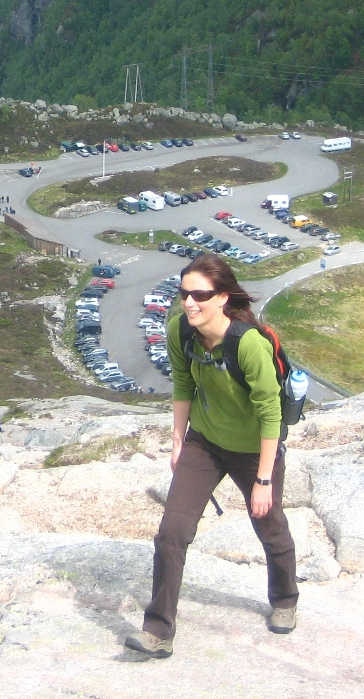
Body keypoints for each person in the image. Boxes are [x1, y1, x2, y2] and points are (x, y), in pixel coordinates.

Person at [126, 253, 297, 659]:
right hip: (205, 442)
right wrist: (178, 440)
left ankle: (285, 600)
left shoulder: (249, 343)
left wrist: (264, 479)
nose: (189, 303)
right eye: (184, 293)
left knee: (269, 526)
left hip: (254, 450)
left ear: (223, 297)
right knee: (171, 533)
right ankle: (158, 631)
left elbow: (270, 412)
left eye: (199, 294)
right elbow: (183, 384)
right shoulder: (180, 331)